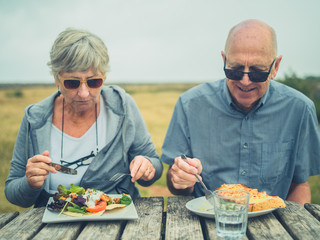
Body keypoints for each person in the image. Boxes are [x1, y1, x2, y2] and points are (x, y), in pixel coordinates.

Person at [160, 19, 320, 205]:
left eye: (257, 72)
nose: (245, 81)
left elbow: (299, 184)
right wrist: (180, 178)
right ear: (224, 60)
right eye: (235, 70)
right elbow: (174, 183)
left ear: (275, 67)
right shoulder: (189, 104)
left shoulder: (299, 109)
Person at [5, 28, 163, 208]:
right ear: (57, 79)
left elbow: (155, 166)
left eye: (94, 81)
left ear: (104, 76)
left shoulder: (122, 106)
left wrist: (147, 166)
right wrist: (30, 184)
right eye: (72, 82)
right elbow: (13, 192)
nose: (83, 93)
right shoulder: (34, 118)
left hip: (117, 220)